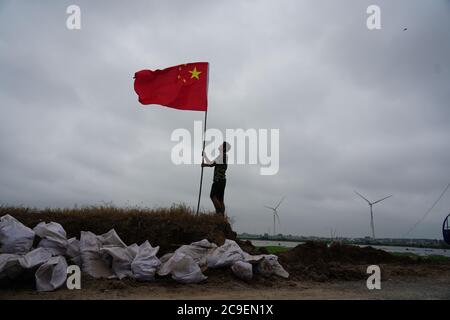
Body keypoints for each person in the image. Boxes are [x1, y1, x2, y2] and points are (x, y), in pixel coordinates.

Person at [202, 141, 230, 215]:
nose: (220, 145)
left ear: (223, 147)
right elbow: (212, 164)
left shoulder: (222, 156)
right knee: (220, 199)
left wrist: (204, 157)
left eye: (221, 145)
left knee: (213, 196)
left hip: (218, 179)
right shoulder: (224, 156)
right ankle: (222, 216)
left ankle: (219, 213)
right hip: (223, 180)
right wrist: (205, 163)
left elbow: (211, 164)